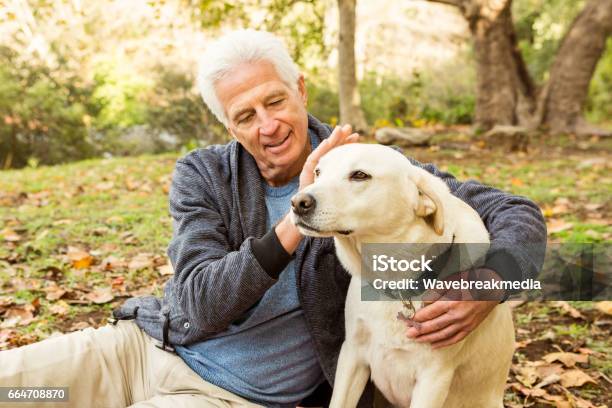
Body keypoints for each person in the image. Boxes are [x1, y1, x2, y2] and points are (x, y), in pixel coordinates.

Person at [0, 30, 546, 408]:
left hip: (222, 396)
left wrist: (492, 283)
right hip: (138, 350)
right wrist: (296, 218)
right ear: (230, 127)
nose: (268, 125)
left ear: (301, 90)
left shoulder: (372, 176)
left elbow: (515, 211)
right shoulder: (205, 174)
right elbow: (199, 302)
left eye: (276, 101)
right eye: (245, 116)